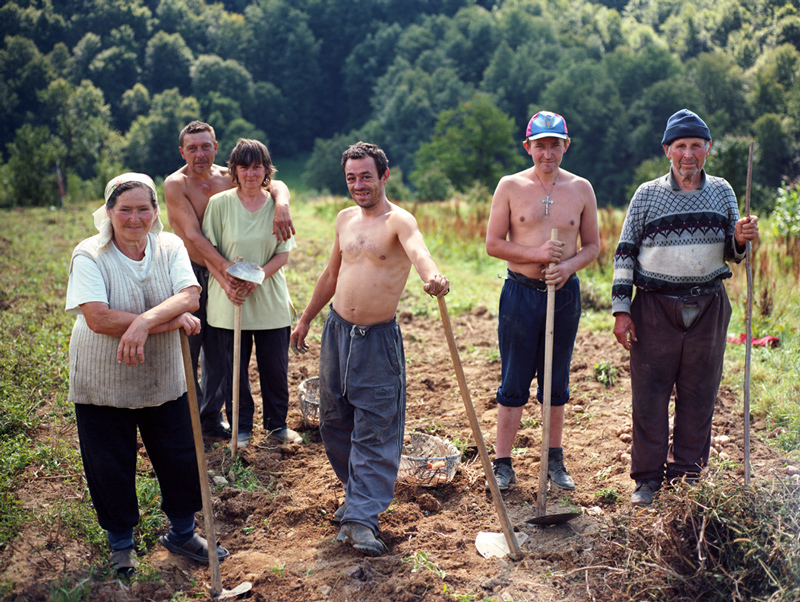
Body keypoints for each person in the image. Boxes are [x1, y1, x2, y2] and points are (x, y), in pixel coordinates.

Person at [65, 173, 229, 578]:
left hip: (164, 374)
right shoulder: (89, 254)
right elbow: (98, 318)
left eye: (143, 209)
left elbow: (190, 296)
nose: (134, 218)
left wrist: (141, 325)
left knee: (179, 456)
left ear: (156, 212)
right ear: (109, 212)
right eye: (125, 209)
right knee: (110, 462)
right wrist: (169, 322)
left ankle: (183, 533)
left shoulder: (170, 245)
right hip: (103, 378)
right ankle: (121, 544)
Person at [289, 142, 449, 556]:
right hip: (337, 333)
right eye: (351, 178)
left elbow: (421, 255)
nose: (359, 185)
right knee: (335, 422)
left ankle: (361, 517)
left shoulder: (399, 222)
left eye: (366, 176)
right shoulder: (344, 219)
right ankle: (357, 498)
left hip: (377, 342)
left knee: (376, 428)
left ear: (384, 176)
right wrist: (306, 318)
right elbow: (330, 273)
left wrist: (433, 278)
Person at [611, 109, 759, 506]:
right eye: (680, 146)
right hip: (654, 308)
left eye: (696, 145)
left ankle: (686, 478)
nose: (688, 154)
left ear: (707, 149)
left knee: (699, 394)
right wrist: (621, 309)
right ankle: (647, 481)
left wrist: (742, 239)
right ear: (667, 151)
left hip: (708, 305)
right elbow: (625, 253)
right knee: (650, 396)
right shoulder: (647, 195)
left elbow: (733, 252)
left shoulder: (724, 191)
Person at [485, 111, 600, 491]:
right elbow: (494, 244)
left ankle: (554, 459)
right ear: (528, 147)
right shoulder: (509, 186)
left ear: (566, 145)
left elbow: (593, 246)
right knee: (514, 377)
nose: (547, 153)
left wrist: (567, 267)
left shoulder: (581, 188)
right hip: (520, 294)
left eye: (555, 145)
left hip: (563, 295)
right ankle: (503, 462)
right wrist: (537, 255)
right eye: (540, 145)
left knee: (556, 378)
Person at [164, 121, 294, 439]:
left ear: (216, 147)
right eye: (192, 148)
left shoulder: (231, 174)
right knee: (191, 346)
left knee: (219, 359)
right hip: (194, 271)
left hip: (236, 275)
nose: (200, 154)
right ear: (182, 151)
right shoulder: (176, 184)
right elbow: (194, 235)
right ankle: (187, 420)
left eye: (206, 146)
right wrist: (226, 273)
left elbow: (274, 184)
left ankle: (212, 419)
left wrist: (282, 205)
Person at [202, 138, 300, 447]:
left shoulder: (276, 206)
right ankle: (241, 428)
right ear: (234, 170)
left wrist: (257, 276)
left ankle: (276, 425)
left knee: (274, 369)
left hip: (269, 299)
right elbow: (208, 251)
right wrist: (231, 279)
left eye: (257, 166)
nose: (250, 173)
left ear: (266, 170)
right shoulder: (219, 204)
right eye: (244, 166)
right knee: (235, 372)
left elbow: (283, 253)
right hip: (230, 299)